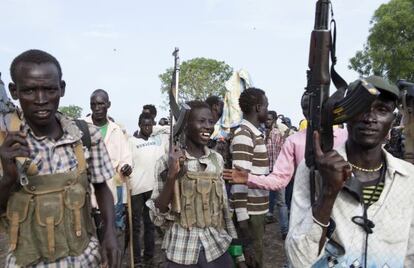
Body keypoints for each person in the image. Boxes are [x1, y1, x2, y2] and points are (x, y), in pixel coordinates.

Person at [0, 49, 119, 267]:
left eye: (49, 89)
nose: (41, 99)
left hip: (85, 259)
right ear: (14, 91)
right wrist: (8, 177)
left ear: (61, 89)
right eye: (29, 91)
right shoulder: (5, 143)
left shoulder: (85, 135)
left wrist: (110, 232)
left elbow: (102, 187)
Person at [286, 76, 414, 267]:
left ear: (392, 119)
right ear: (345, 115)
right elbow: (298, 260)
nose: (370, 118)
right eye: (361, 108)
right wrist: (328, 193)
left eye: (382, 110)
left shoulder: (408, 177)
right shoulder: (314, 170)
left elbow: (409, 253)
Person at [147, 100, 245, 268]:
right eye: (201, 121)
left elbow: (224, 210)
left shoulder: (217, 160)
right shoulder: (166, 162)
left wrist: (238, 253)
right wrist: (172, 176)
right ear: (185, 126)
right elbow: (157, 218)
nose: (208, 126)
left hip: (216, 246)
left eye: (211, 122)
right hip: (181, 251)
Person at [224, 92, 348, 210]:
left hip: (345, 212)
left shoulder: (347, 137)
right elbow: (279, 179)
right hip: (308, 214)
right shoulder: (293, 141)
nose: (311, 110)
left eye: (316, 104)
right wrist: (248, 178)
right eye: (306, 107)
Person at [230, 87, 269, 268]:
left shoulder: (254, 134)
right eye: (266, 106)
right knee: (250, 260)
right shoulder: (244, 136)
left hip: (256, 212)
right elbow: (238, 182)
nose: (267, 110)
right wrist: (243, 224)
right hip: (249, 216)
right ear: (257, 108)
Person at [86, 89, 132, 232]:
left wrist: (126, 167)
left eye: (101, 104)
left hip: (107, 190)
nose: (97, 108)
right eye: (93, 104)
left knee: (105, 234)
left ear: (108, 105)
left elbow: (125, 158)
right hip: (84, 190)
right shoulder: (80, 127)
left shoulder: (116, 130)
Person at [128, 112, 168, 267]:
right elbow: (127, 161)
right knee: (136, 227)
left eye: (150, 124)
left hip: (153, 188)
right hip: (136, 189)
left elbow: (169, 130)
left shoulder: (158, 140)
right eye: (144, 125)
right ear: (139, 125)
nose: (148, 127)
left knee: (150, 224)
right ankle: (136, 260)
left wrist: (156, 127)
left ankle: (149, 257)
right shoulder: (132, 141)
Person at [264, 110, 289, 240]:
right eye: (266, 119)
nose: (266, 122)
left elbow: (285, 153)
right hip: (264, 172)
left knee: (281, 202)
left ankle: (285, 230)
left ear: (274, 120)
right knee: (264, 200)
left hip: (277, 172)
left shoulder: (278, 134)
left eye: (269, 119)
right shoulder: (261, 134)